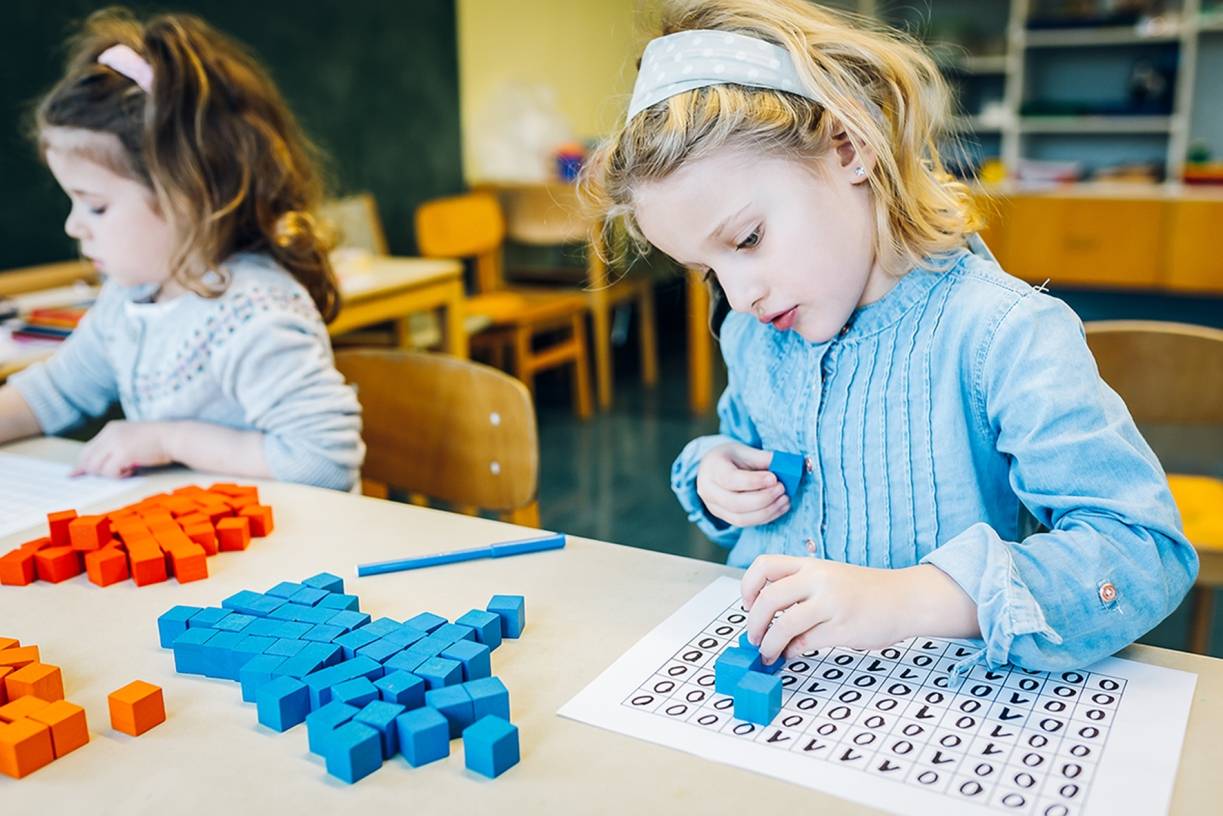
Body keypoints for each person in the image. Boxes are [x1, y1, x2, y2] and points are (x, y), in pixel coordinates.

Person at [582, 0, 1196, 671]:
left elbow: (1142, 552)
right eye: (705, 268)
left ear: (849, 146)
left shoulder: (1004, 336)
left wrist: (915, 596)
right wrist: (713, 472)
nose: (737, 295)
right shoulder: (755, 334)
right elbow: (746, 444)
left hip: (933, 717)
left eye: (747, 239)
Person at [0, 8, 364, 491]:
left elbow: (322, 461)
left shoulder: (255, 316)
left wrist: (169, 439)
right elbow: (54, 391)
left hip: (293, 548)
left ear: (188, 196)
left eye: (97, 206)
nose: (74, 225)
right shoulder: (128, 301)